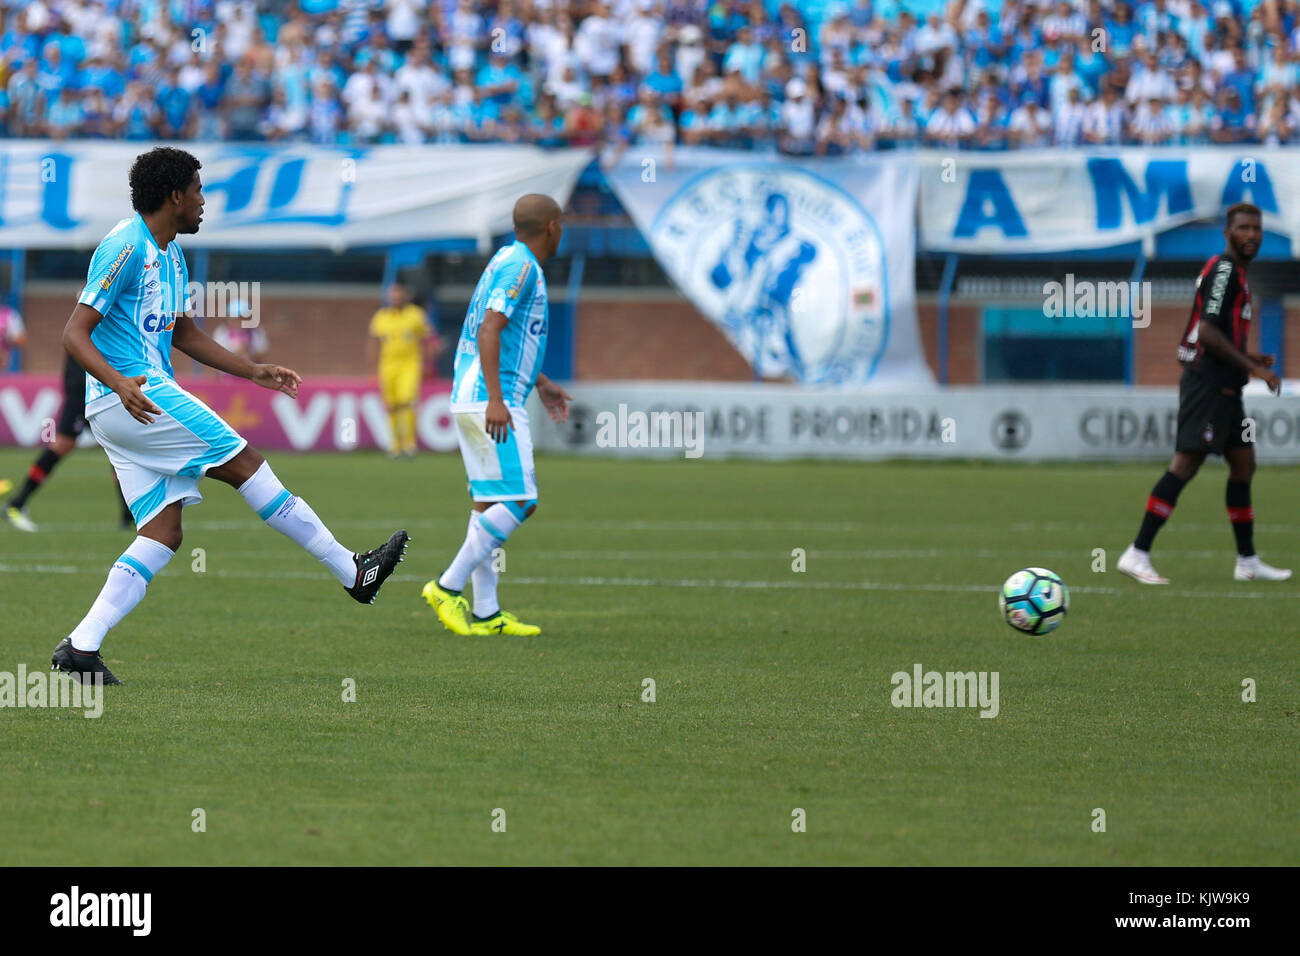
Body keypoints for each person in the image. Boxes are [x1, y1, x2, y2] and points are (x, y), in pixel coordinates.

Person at [52, 147, 410, 685]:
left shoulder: (170, 254)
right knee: (244, 462)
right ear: (174, 195)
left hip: (131, 404)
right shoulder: (124, 246)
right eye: (197, 190)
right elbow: (73, 331)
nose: (203, 201)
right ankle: (353, 571)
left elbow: (186, 334)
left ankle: (81, 648)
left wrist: (252, 371)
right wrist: (120, 382)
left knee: (163, 531)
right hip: (136, 395)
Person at [421, 194, 573, 637]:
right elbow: (489, 329)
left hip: (476, 393)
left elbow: (503, 336)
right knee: (522, 501)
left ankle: (487, 613)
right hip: (490, 397)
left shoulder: (507, 259)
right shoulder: (521, 266)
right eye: (561, 223)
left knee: (487, 504)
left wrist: (540, 382)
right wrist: (496, 399)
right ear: (551, 227)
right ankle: (447, 586)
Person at [1118, 203, 1290, 584]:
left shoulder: (1236, 274)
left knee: (1244, 463)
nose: (1251, 235)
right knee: (1186, 464)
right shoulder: (1225, 270)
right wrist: (1255, 368)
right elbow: (1207, 333)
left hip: (1230, 392)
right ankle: (1137, 552)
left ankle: (1247, 562)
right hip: (1208, 387)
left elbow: (1212, 332)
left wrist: (1247, 357)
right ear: (1227, 233)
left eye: (1257, 229)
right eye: (1243, 228)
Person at [5, 353, 134, 532]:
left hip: (98, 389)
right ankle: (17, 503)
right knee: (65, 444)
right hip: (86, 389)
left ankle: (129, 516)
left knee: (117, 449)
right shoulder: (88, 328)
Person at [367, 282, 439, 457]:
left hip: (410, 364)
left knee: (407, 401)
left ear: (405, 295)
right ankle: (394, 444)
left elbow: (429, 336)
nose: (396, 297)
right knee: (391, 405)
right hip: (387, 365)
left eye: (399, 294)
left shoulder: (415, 315)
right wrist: (372, 369)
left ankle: (409, 444)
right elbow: (374, 343)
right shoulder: (381, 317)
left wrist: (430, 358)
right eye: (393, 294)